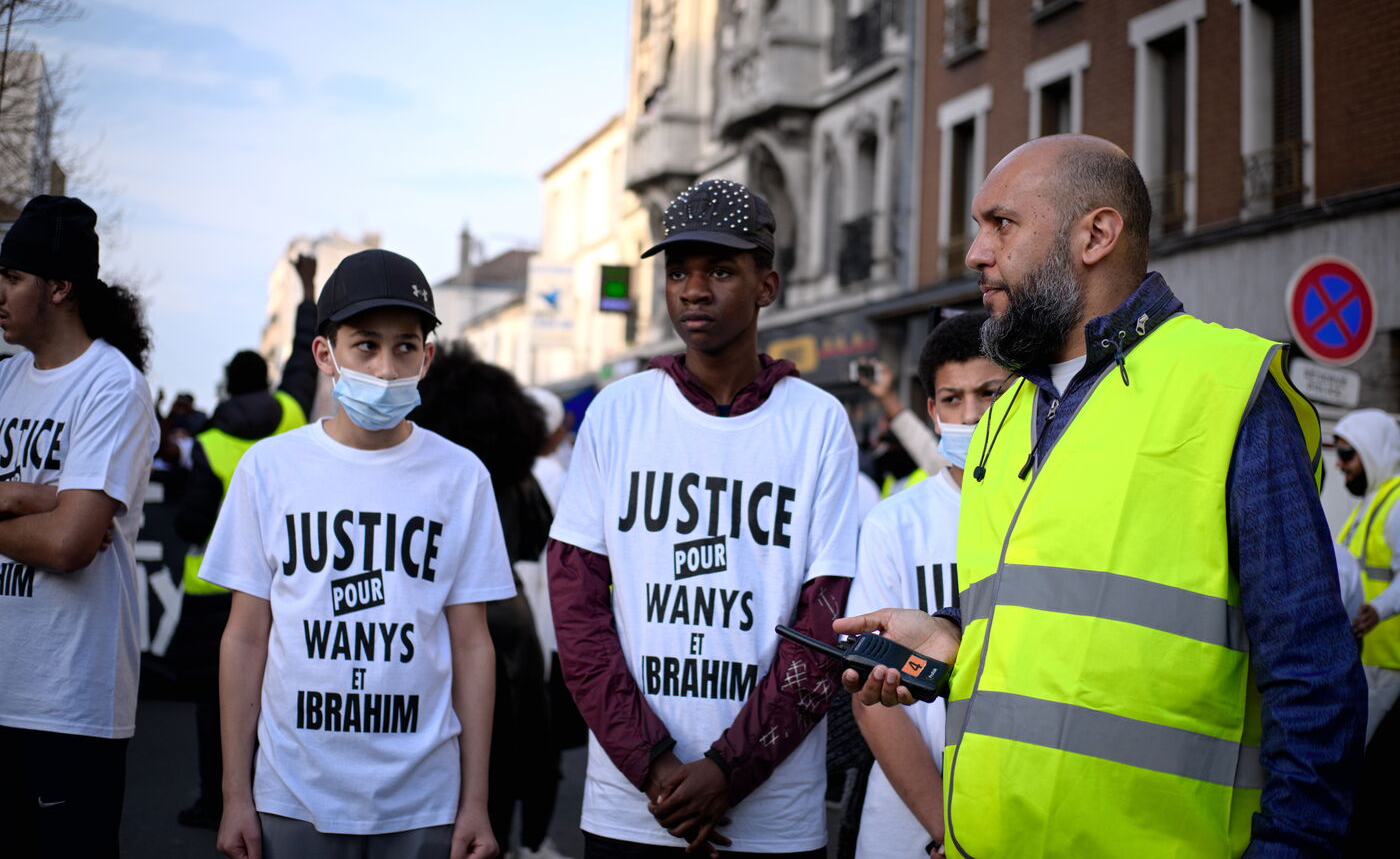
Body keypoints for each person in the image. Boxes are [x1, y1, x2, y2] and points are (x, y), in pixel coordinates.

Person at [839, 135, 1366, 857]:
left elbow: (1313, 676)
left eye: (1001, 224)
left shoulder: (1228, 388)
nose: (975, 254)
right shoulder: (1004, 415)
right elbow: (1063, 607)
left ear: (1096, 235)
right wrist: (952, 633)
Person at [547, 179, 860, 857]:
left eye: (720, 270)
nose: (693, 290)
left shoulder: (818, 422)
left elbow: (825, 621)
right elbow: (576, 606)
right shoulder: (618, 412)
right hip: (631, 807)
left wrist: (727, 769)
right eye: (678, 271)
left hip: (771, 818)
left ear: (767, 285)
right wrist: (652, 762)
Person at [199, 248, 512, 859]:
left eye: (405, 346)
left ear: (427, 357)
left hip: (424, 800)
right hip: (293, 795)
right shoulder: (269, 469)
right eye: (366, 345)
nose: (387, 368)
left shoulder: (461, 477)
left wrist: (475, 802)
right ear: (326, 355)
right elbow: (245, 638)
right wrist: (235, 795)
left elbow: (473, 645)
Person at [0, 195, 160, 858]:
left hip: (67, 704)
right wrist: (33, 498)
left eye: (12, 277)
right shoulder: (5, 377)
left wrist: (32, 504)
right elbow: (66, 527)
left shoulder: (111, 386)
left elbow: (70, 543)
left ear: (59, 288)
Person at [848, 311, 1006, 859]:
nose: (972, 414)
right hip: (908, 826)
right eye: (952, 399)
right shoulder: (894, 523)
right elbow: (872, 698)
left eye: (990, 393)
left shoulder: (1055, 517)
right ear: (933, 412)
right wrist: (944, 829)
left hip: (1019, 815)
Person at [170, 253, 319, 831]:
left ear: (228, 385)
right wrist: (307, 288)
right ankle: (271, 795)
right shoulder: (292, 411)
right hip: (283, 590)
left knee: (218, 704)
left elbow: (190, 524)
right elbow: (304, 353)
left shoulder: (209, 440)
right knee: (278, 695)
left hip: (211, 593)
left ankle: (218, 800)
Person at [414, 346, 568, 859]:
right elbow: (540, 536)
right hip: (507, 614)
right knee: (509, 746)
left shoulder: (422, 476)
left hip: (433, 617)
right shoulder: (513, 476)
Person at [1333, 408, 1400, 743]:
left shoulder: (1397, 504)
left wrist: (1377, 609)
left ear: (1372, 451)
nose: (1338, 464)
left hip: (1386, 663)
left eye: (1347, 454)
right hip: (1364, 658)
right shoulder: (1370, 504)